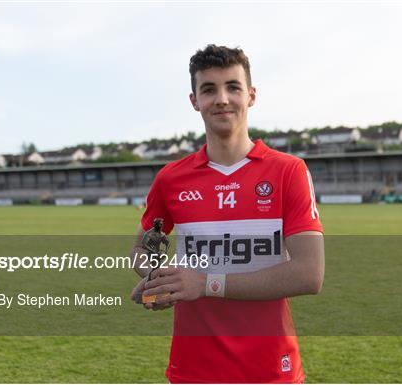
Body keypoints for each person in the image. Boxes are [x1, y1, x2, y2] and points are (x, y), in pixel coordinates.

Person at [130, 44, 325, 383]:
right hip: (193, 369)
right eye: (209, 89)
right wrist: (158, 278)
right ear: (194, 101)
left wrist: (205, 284)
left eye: (232, 87)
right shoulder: (171, 179)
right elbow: (143, 249)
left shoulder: (287, 171)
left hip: (269, 369)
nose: (221, 98)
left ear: (250, 95)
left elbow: (309, 274)